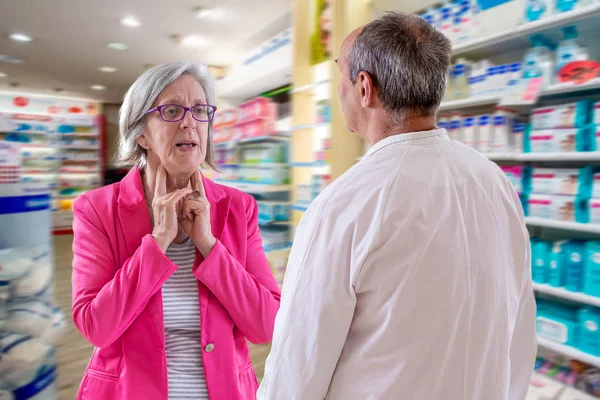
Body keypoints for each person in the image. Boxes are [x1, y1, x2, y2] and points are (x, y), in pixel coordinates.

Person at [258, 12, 536, 400]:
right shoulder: (494, 182)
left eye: (341, 75)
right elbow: (520, 329)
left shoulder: (343, 205)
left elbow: (298, 364)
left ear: (363, 87)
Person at [71, 61, 281, 400]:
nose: (189, 122)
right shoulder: (97, 210)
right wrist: (157, 244)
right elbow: (97, 326)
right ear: (141, 133)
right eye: (171, 110)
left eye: (200, 111)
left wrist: (209, 245)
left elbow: (266, 324)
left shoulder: (238, 208)